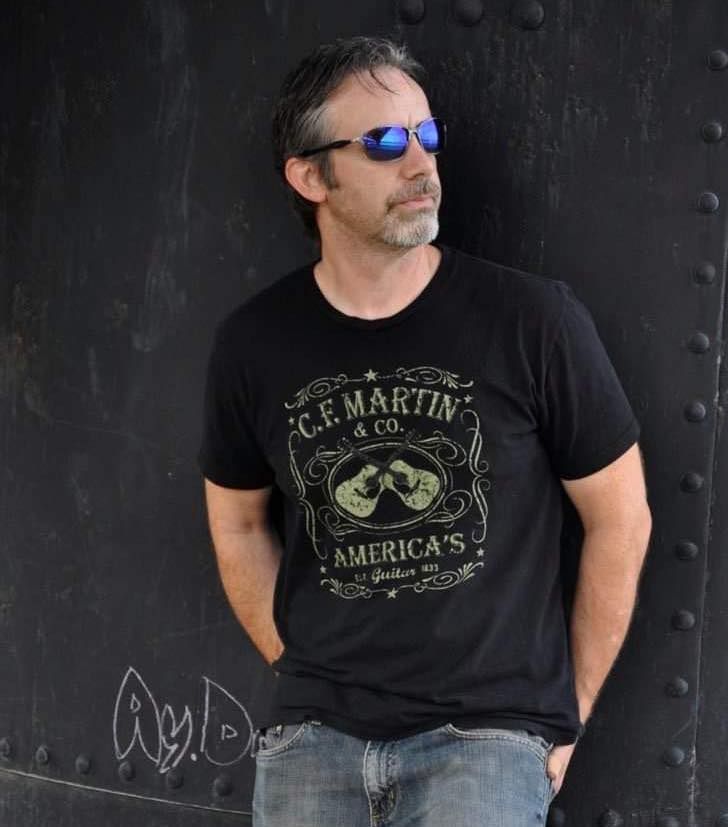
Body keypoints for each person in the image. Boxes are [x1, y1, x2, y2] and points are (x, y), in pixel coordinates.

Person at [198, 34, 652, 827]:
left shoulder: (532, 321)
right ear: (309, 176)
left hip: (483, 741)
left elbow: (620, 517)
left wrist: (565, 711)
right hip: (312, 741)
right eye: (382, 142)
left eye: (426, 133)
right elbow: (237, 522)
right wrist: (298, 666)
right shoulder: (254, 343)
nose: (420, 163)